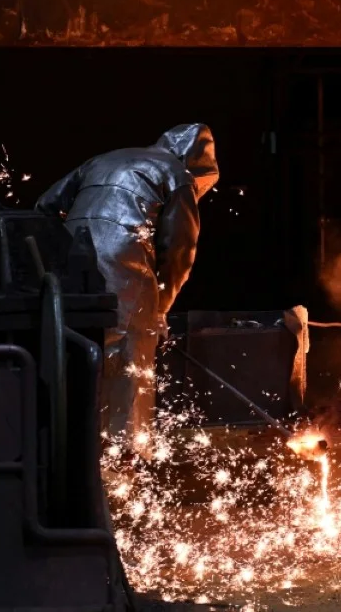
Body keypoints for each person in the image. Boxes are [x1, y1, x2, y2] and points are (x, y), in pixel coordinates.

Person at [36, 123, 219, 445]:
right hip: (123, 261)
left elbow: (45, 207)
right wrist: (161, 309)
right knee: (129, 359)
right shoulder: (178, 174)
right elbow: (179, 253)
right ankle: (120, 460)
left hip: (68, 262)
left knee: (72, 351)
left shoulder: (103, 159)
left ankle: (67, 447)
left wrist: (58, 249)